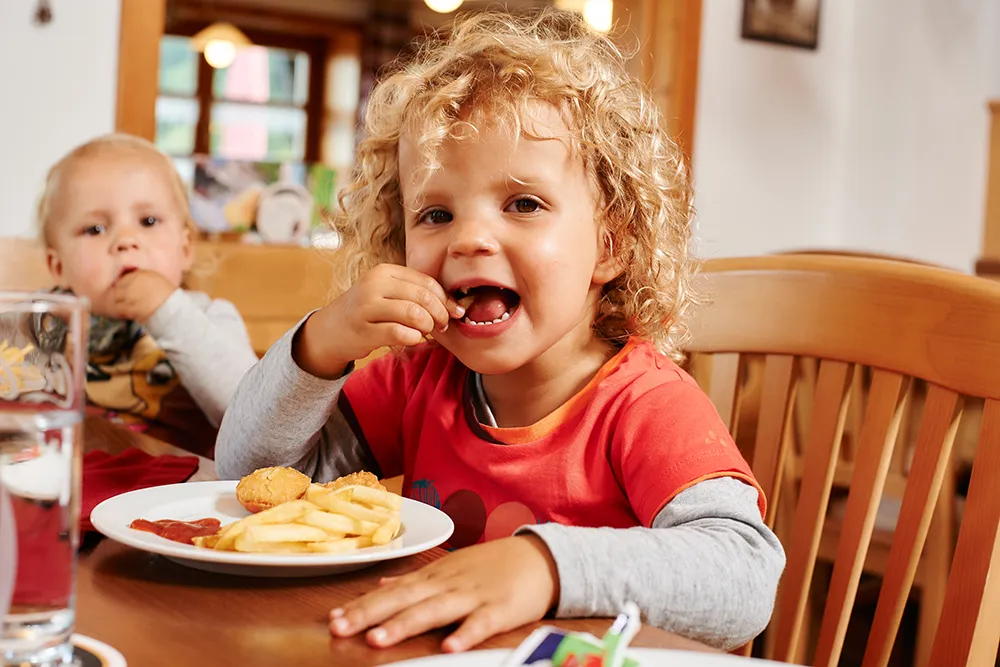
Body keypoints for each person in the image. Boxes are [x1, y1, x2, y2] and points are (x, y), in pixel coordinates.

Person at [216, 8, 785, 652]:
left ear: (609, 246)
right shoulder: (418, 378)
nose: (469, 238)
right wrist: (320, 345)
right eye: (435, 213)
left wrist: (544, 566)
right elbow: (253, 478)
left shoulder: (645, 405)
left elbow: (745, 577)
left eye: (523, 204)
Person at [37, 133, 258, 456]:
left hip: (176, 494)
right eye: (96, 229)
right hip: (76, 489)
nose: (126, 240)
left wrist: (167, 311)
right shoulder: (38, 325)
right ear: (58, 266)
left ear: (185, 249)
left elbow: (253, 416)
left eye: (148, 221)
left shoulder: (210, 318)